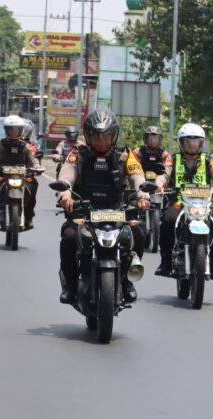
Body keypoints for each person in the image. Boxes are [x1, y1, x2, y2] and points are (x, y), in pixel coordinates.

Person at [56, 109, 150, 304]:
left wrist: (142, 195)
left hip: (117, 210)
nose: (102, 141)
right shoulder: (77, 154)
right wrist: (65, 194)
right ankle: (71, 285)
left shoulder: (125, 155)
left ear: (114, 135)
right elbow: (66, 174)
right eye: (97, 137)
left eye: (106, 137)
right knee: (69, 238)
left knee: (138, 234)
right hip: (84, 210)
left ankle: (126, 281)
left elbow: (137, 176)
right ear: (89, 136)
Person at [153, 123, 213, 281]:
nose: (192, 145)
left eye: (196, 142)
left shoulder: (208, 161)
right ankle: (165, 261)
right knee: (168, 220)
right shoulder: (173, 159)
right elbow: (164, 174)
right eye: (188, 142)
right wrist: (159, 185)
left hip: (203, 205)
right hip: (180, 204)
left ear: (201, 143)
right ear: (181, 143)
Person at [0, 115, 42, 230]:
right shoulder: (0, 144)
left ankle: (29, 217)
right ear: (6, 130)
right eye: (10, 129)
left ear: (21, 130)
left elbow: (33, 158)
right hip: (2, 176)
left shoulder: (26, 146)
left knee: (33, 185)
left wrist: (37, 166)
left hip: (22, 176)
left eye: (16, 129)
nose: (13, 132)